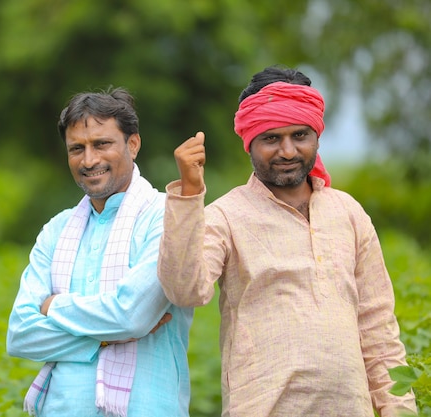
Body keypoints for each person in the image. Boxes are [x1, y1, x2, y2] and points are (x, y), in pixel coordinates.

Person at [157, 65, 418, 417]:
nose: (288, 151)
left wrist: (399, 410)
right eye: (270, 138)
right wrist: (188, 195)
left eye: (300, 135)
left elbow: (379, 331)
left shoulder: (348, 212)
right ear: (250, 142)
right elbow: (185, 290)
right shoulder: (227, 216)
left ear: (317, 137)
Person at [7, 87, 193, 417]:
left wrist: (54, 306)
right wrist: (106, 339)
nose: (89, 160)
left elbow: (129, 315)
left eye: (101, 144)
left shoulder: (167, 218)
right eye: (77, 148)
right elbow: (21, 334)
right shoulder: (57, 230)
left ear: (132, 144)